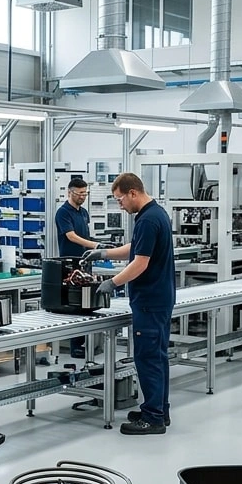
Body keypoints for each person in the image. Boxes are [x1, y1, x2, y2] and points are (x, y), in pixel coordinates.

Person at [81, 172, 174, 435]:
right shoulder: (156, 214)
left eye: (120, 199)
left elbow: (140, 262)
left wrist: (114, 282)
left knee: (148, 358)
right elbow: (137, 248)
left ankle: (153, 418)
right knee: (158, 356)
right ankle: (158, 409)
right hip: (159, 298)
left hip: (150, 300)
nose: (119, 205)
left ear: (133, 193)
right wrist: (104, 252)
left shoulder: (147, 219)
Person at [56, 177, 104, 359]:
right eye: (80, 193)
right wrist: (95, 246)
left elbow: (86, 234)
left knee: (87, 302)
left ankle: (86, 341)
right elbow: (71, 236)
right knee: (76, 303)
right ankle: (75, 346)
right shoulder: (63, 213)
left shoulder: (84, 212)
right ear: (70, 192)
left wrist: (96, 248)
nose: (83, 197)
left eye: (85, 193)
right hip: (71, 264)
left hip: (86, 261)